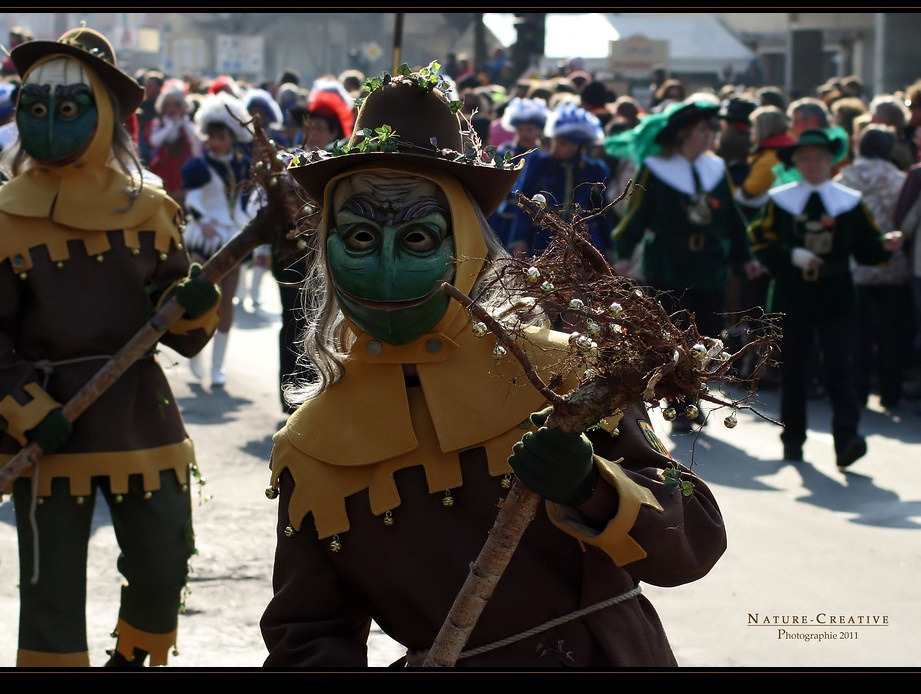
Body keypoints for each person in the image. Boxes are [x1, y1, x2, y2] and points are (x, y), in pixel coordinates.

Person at [259, 63, 728, 668]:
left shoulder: (568, 375)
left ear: (467, 242)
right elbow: (308, 634)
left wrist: (593, 488)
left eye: (420, 239)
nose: (385, 268)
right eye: (358, 240)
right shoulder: (311, 448)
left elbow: (693, 545)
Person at [0, 26, 221, 667]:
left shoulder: (149, 208)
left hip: (140, 421)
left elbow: (181, 331)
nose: (48, 122)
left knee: (163, 566)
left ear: (102, 116)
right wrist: (23, 406)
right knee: (51, 595)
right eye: (34, 108)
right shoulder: (4, 217)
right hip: (50, 430)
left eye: (67, 109)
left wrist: (195, 310)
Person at [747, 129, 903, 467]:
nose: (813, 164)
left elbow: (866, 247)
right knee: (795, 371)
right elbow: (759, 240)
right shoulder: (781, 199)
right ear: (797, 163)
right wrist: (792, 255)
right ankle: (792, 441)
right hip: (792, 293)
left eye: (819, 157)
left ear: (831, 161)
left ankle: (847, 439)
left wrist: (885, 246)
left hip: (836, 295)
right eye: (806, 158)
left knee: (839, 367)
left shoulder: (848, 200)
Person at [608, 97, 763, 433]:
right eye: (704, 129)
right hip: (668, 265)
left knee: (706, 336)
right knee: (673, 338)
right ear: (684, 133)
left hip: (710, 266)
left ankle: (691, 396)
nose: (711, 135)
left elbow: (733, 221)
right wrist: (623, 252)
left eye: (713, 129)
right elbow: (636, 217)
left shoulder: (715, 168)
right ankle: (680, 406)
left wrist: (746, 257)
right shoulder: (657, 167)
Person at [834, 124, 911, 410]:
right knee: (891, 332)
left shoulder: (844, 177)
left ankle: (858, 390)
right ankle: (891, 392)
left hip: (855, 266)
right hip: (892, 264)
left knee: (856, 333)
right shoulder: (900, 179)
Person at [181, 89, 254, 388]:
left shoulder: (242, 166)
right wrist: (204, 221)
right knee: (200, 297)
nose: (215, 142)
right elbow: (193, 199)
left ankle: (217, 367)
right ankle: (194, 352)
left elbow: (243, 202)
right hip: (205, 235)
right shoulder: (199, 166)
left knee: (228, 302)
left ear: (232, 138)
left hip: (232, 234)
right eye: (211, 137)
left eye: (221, 137)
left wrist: (247, 225)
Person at [506, 102, 611, 257]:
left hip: (584, 242)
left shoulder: (594, 170)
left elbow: (602, 213)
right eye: (554, 141)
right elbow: (524, 202)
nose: (555, 147)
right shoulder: (540, 164)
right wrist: (519, 239)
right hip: (542, 239)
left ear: (578, 146)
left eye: (563, 144)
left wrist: (608, 248)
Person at [486, 96, 549, 246]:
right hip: (502, 217)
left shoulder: (542, 158)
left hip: (529, 218)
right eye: (521, 129)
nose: (525, 134)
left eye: (530, 129)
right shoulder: (505, 153)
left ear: (539, 131)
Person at [146, 77, 201, 206]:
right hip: (163, 168)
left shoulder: (188, 124)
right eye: (168, 104)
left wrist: (182, 123)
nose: (171, 108)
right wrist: (171, 126)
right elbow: (154, 141)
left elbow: (196, 144)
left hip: (183, 169)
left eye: (176, 104)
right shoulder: (158, 124)